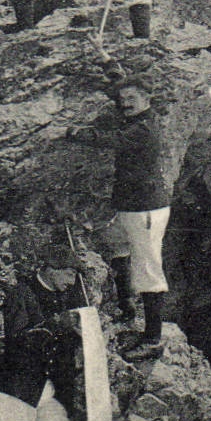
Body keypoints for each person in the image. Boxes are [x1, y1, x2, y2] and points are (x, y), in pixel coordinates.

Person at [90, 61, 176, 360]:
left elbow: (112, 140)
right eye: (122, 99)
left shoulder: (144, 129)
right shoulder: (137, 117)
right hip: (130, 206)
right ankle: (126, 308)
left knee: (149, 269)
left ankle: (153, 338)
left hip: (146, 209)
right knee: (117, 246)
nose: (125, 104)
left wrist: (77, 133)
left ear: (147, 99)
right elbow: (121, 94)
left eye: (132, 99)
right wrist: (113, 70)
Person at [0, 240, 91, 421]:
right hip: (16, 391)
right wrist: (55, 324)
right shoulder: (20, 294)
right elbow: (16, 342)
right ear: (52, 270)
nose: (72, 282)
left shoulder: (62, 297)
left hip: (45, 391)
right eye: (70, 274)